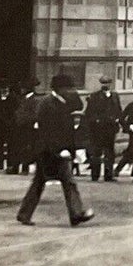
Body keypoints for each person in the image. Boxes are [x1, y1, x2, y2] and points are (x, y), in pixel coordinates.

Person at [17, 76, 94, 227]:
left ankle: (25, 214)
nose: (70, 91)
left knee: (44, 183)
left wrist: (71, 149)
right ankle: (75, 214)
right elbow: (47, 132)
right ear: (59, 89)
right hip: (48, 151)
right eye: (67, 88)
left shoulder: (62, 102)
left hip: (56, 150)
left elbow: (76, 109)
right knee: (60, 182)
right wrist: (60, 150)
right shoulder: (47, 104)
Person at [83, 75, 122, 182]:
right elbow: (89, 112)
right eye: (103, 83)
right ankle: (95, 175)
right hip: (98, 129)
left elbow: (118, 110)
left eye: (107, 83)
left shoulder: (115, 96)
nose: (105, 85)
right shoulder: (94, 96)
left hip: (110, 128)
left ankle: (108, 175)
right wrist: (95, 121)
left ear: (110, 84)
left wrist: (118, 121)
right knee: (96, 152)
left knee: (110, 152)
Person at [6, 83, 35, 174]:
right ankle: (15, 167)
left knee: (26, 148)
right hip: (18, 127)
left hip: (27, 127)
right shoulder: (21, 98)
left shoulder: (34, 100)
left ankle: (24, 168)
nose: (22, 90)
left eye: (23, 88)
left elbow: (33, 114)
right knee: (17, 147)